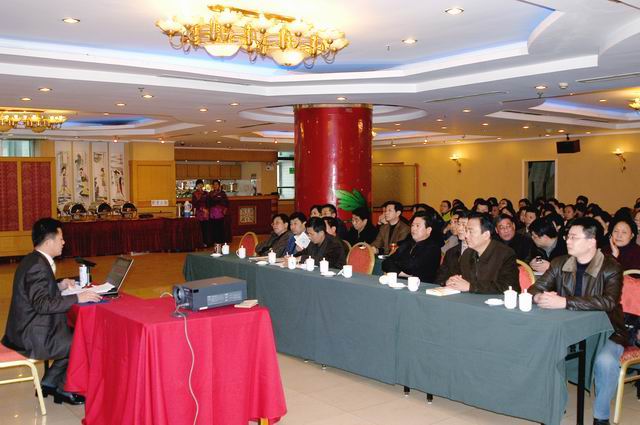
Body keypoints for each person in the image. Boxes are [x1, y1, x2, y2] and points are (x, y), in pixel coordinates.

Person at [529, 217, 628, 425]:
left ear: (591, 242)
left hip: (606, 330)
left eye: (574, 237)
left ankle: (601, 417)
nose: (568, 240)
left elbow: (609, 302)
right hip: (569, 329)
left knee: (606, 362)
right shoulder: (560, 263)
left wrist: (565, 302)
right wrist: (538, 297)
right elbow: (535, 288)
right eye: (568, 236)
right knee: (546, 352)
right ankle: (555, 406)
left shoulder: (611, 267)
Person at [2, 218, 102, 405]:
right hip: (31, 336)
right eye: (60, 238)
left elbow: (37, 292)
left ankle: (49, 382)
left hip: (26, 328)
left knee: (78, 334)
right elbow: (42, 304)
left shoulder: (33, 259)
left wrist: (59, 285)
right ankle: (64, 388)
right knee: (82, 341)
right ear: (49, 242)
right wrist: (77, 298)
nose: (64, 242)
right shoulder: (38, 266)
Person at [442, 213, 520, 294]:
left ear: (486, 235)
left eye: (470, 231)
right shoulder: (467, 253)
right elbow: (462, 280)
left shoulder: (505, 253)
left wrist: (471, 287)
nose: (466, 236)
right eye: (466, 231)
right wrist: (452, 281)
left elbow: (510, 287)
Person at [381, 211, 441, 282]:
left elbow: (411, 267)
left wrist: (396, 264)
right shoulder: (407, 244)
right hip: (401, 282)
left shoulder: (433, 248)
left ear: (428, 230)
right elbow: (385, 263)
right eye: (412, 225)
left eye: (417, 226)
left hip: (422, 285)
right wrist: (402, 273)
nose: (413, 229)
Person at [435, 210, 470, 285]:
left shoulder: (481, 251)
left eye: (464, 225)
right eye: (459, 224)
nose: (459, 228)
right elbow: (439, 278)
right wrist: (446, 282)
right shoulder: (451, 252)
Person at [207, 180, 228, 244]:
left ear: (219, 185)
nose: (215, 186)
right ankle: (214, 241)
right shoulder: (210, 193)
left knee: (220, 227)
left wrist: (224, 210)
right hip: (212, 213)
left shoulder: (222, 193)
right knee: (213, 227)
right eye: (214, 184)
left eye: (216, 184)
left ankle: (221, 241)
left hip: (220, 213)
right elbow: (208, 203)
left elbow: (226, 203)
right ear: (212, 186)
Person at [191, 179, 209, 246]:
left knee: (206, 228)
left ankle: (206, 242)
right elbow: (195, 204)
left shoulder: (206, 193)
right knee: (199, 228)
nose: (200, 186)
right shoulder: (194, 194)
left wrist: (207, 210)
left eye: (201, 184)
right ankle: (200, 243)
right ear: (196, 186)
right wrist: (202, 209)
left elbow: (208, 203)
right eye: (198, 184)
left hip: (206, 213)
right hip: (199, 213)